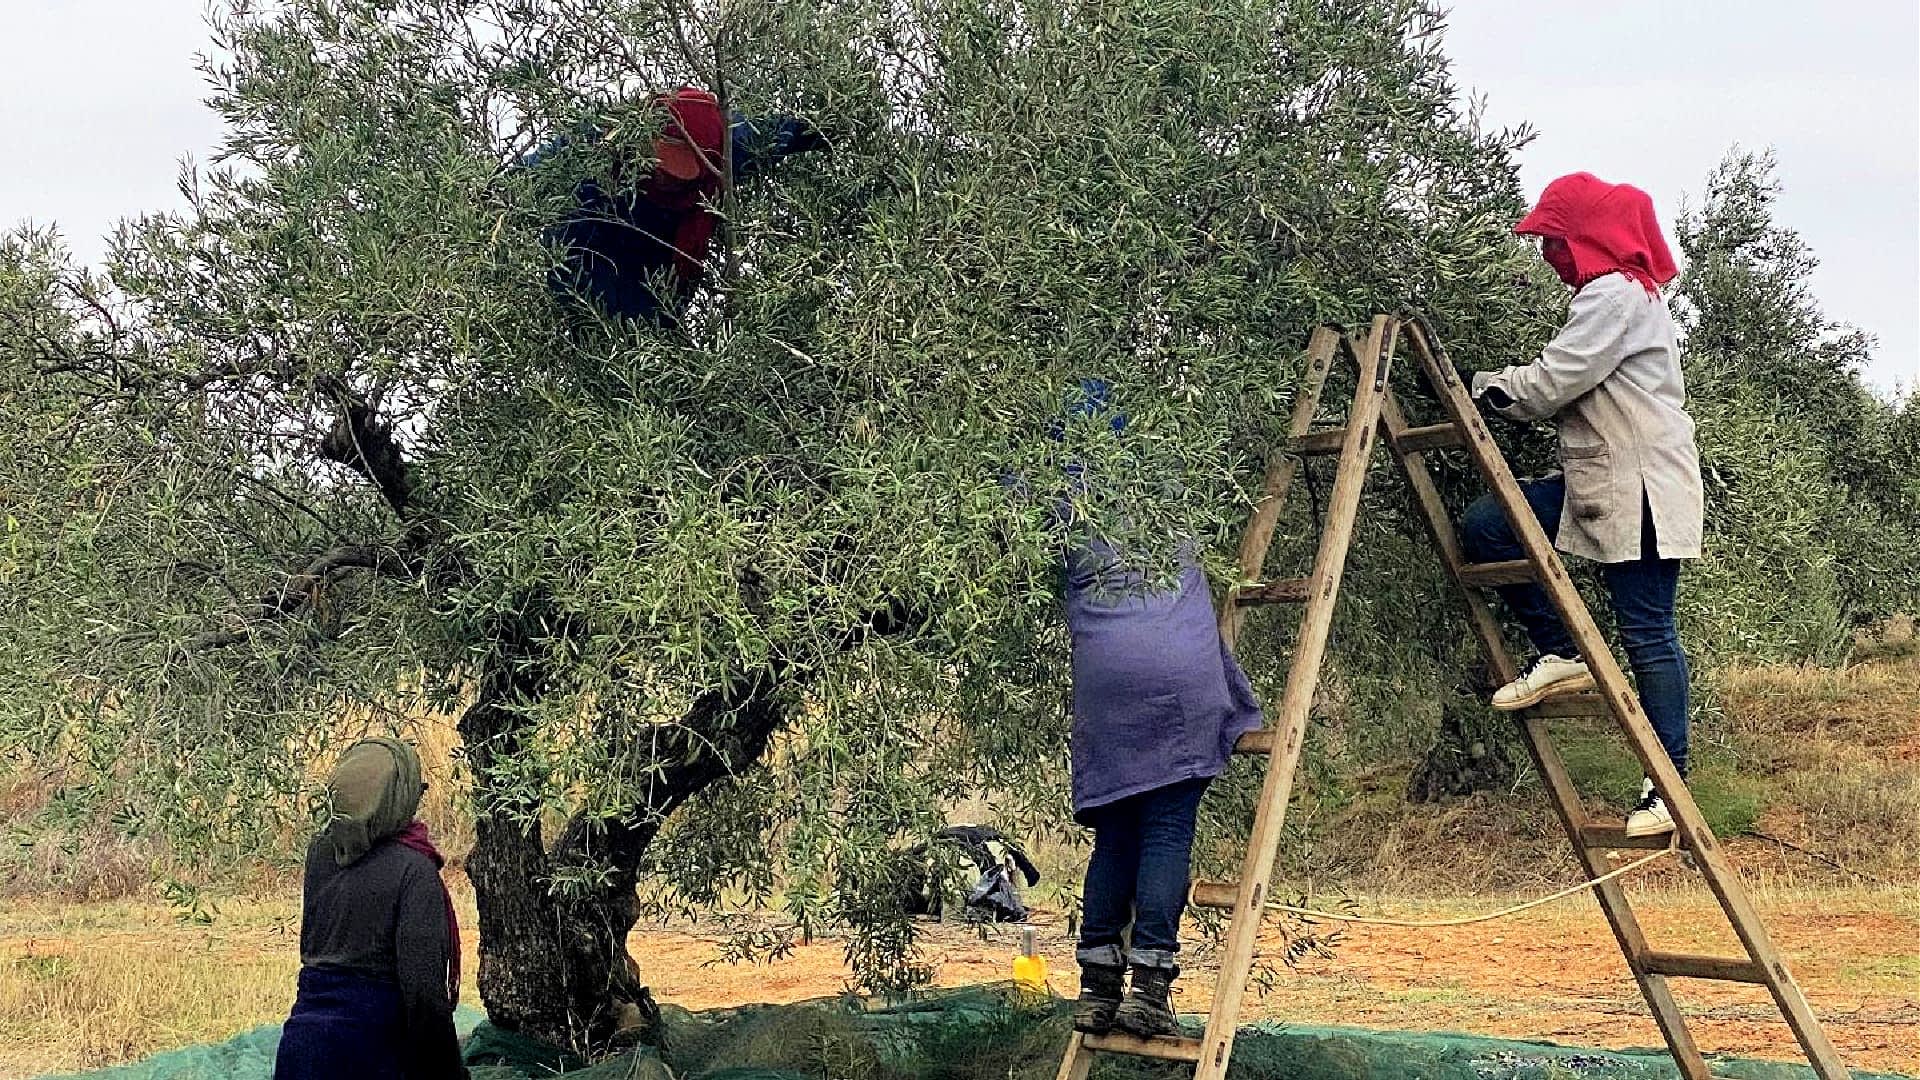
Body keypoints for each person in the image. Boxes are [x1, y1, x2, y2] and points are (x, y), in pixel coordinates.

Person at [1460, 172, 1703, 839]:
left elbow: (1555, 381)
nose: (1548, 256)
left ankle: (1668, 783)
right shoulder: (1629, 295)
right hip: (1613, 480)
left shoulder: (1615, 292)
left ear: (1588, 238)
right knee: (1488, 527)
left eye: (1554, 240)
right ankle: (1561, 653)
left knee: (1648, 631)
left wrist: (1482, 386)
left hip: (1642, 486)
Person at [1049, 381, 1265, 1039]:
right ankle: (1149, 990)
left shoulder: (1059, 502)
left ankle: (1096, 988)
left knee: (1116, 829)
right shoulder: (1166, 478)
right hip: (1176, 677)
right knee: (1167, 827)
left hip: (1105, 687)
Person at [526, 86, 825, 327]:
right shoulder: (599, 139)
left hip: (661, 275)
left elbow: (784, 133)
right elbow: (528, 176)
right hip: (587, 260)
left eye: (679, 174)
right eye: (659, 164)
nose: (664, 178)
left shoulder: (727, 150)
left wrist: (835, 128)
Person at [275, 738, 467, 1080]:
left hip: (300, 1054)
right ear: (397, 798)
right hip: (373, 1057)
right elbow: (424, 1000)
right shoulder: (413, 871)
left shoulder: (321, 853)